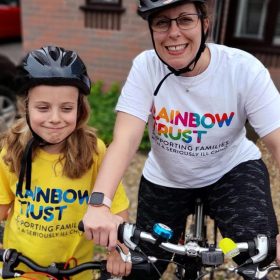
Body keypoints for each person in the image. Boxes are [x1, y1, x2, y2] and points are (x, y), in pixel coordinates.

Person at [82, 0, 280, 278]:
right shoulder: (146, 67)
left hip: (231, 172)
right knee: (143, 268)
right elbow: (125, 140)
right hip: (167, 177)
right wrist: (99, 205)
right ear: (151, 30)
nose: (174, 32)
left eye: (185, 20)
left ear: (204, 24)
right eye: (162, 22)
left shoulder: (243, 69)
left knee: (259, 257)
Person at [0, 45, 131, 279]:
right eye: (42, 107)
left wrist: (118, 251)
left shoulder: (93, 150)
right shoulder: (12, 149)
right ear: (26, 106)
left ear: (79, 110)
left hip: (73, 271)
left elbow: (118, 210)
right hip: (20, 270)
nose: (55, 119)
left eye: (67, 108)